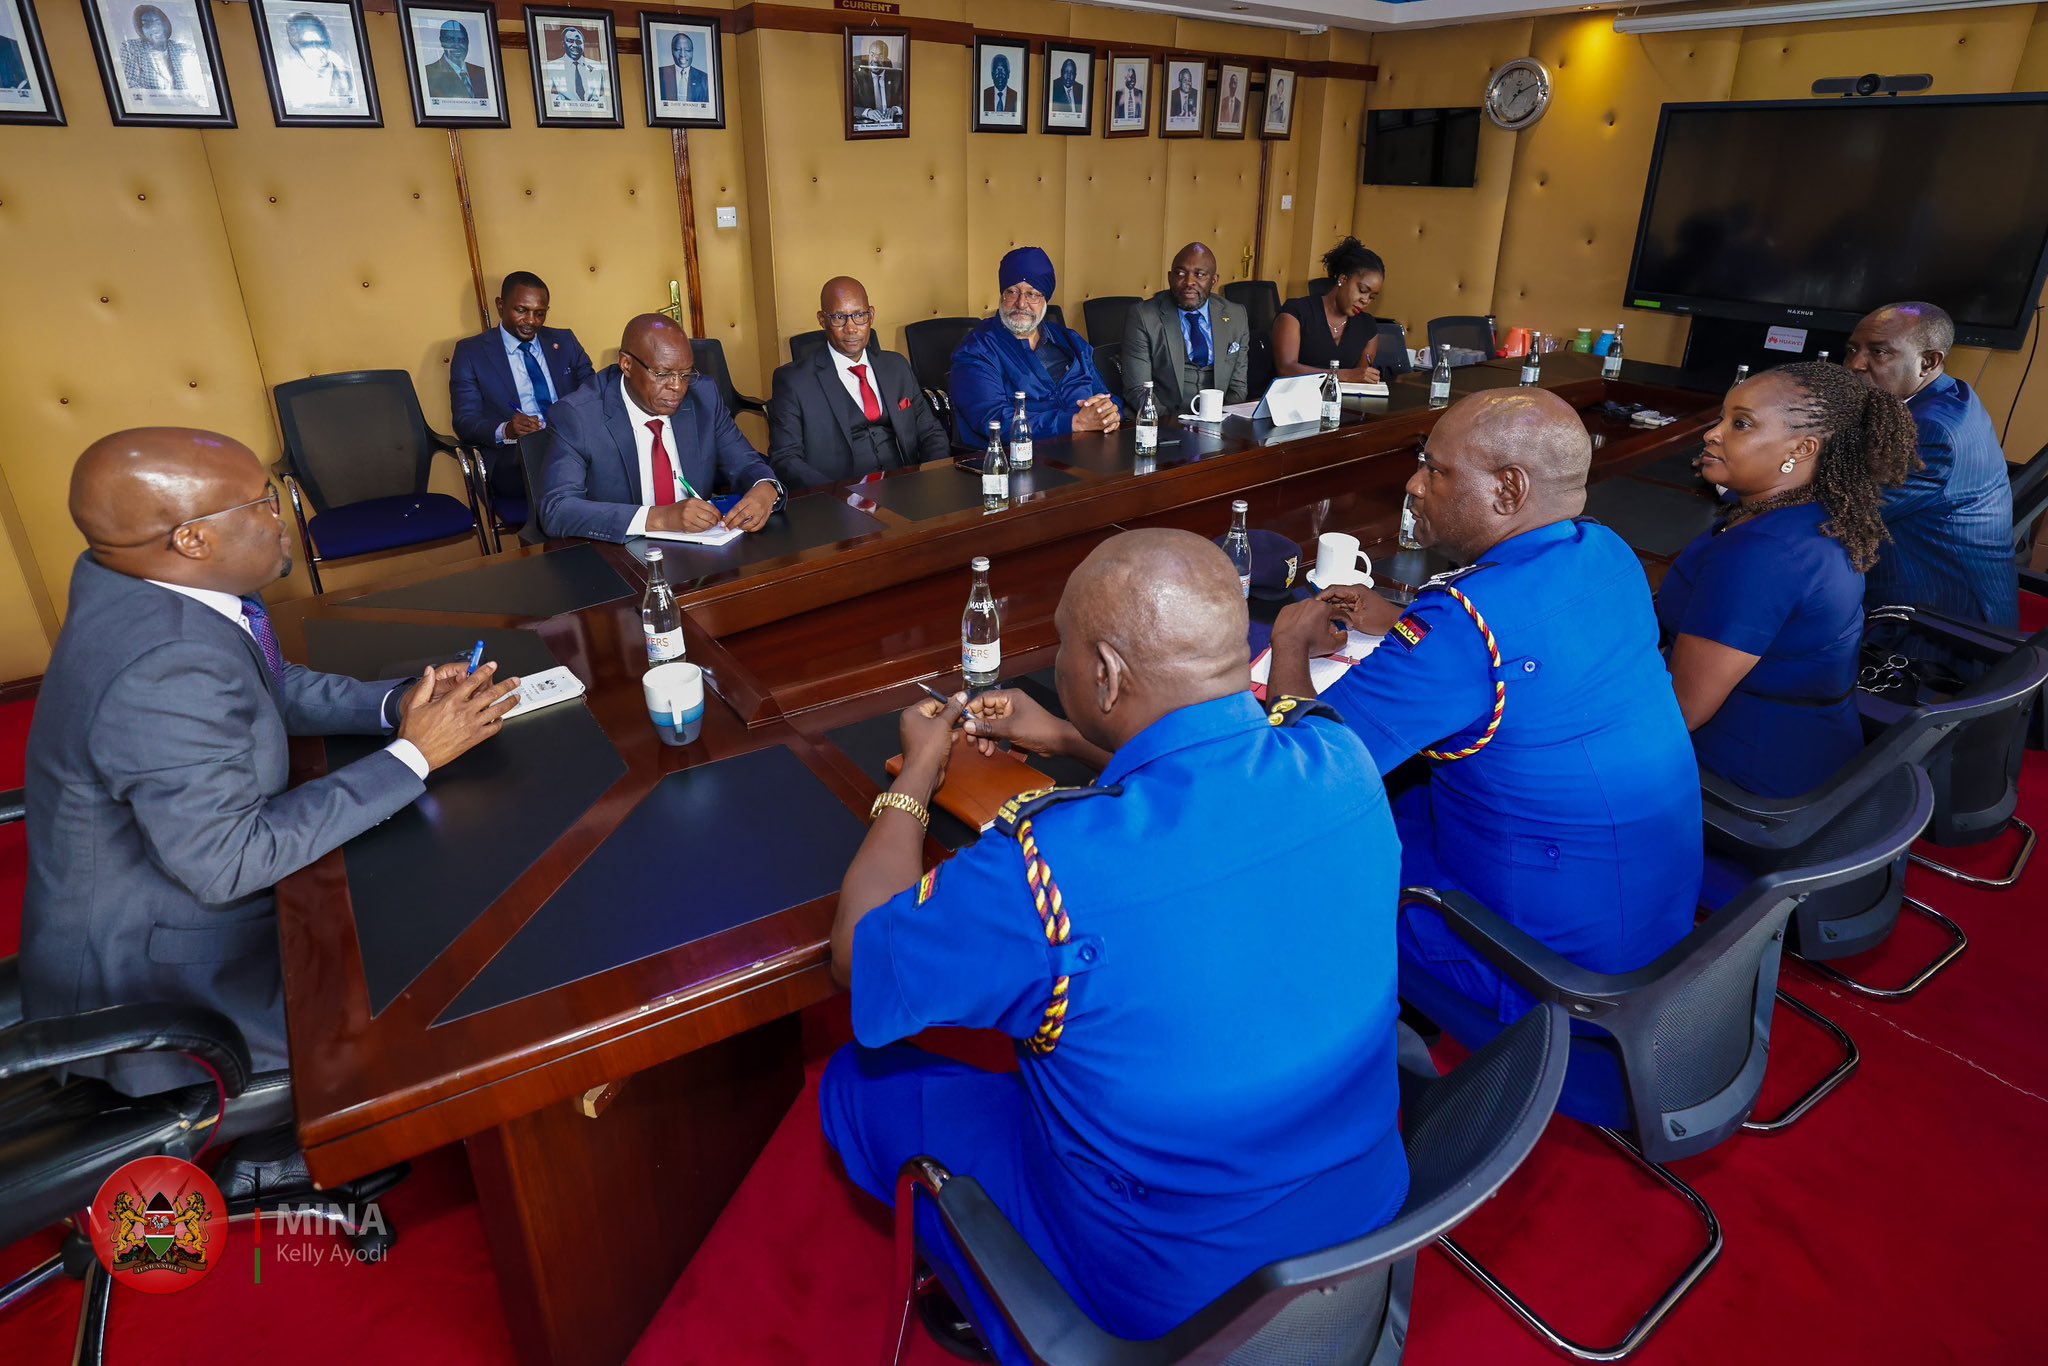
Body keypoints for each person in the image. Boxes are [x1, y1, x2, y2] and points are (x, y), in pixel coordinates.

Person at [822, 528, 1408, 1364]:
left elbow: (859, 953)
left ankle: (1005, 1297)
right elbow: (1205, 756)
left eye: (1062, 645)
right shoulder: (1340, 757)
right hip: (1361, 1228)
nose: (1057, 660)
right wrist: (1064, 737)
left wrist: (917, 774)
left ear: (1102, 673)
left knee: (855, 1083)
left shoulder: (1046, 870)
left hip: (1167, 1299)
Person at [21, 429, 519, 1096]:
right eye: (263, 503)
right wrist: (415, 755)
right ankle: (275, 1153)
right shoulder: (161, 669)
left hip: (183, 903)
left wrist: (399, 705)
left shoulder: (154, 588)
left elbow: (270, 686)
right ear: (193, 539)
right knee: (446, 991)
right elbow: (228, 862)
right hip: (170, 978)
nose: (287, 518)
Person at [1265, 389, 1700, 1121]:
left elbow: (1302, 772)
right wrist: (1405, 621)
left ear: (1509, 490)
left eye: (1434, 471)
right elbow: (1538, 643)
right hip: (1648, 928)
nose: (1413, 484)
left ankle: (1320, 1086)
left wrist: (1286, 646)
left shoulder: (1464, 628)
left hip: (1544, 978)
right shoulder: (1606, 551)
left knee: (1295, 852)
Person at [1658, 363, 1916, 799]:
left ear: (1802, 447)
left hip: (1741, 779)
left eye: (1740, 424)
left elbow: (1679, 712)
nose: (1712, 434)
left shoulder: (1764, 555)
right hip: (1808, 748)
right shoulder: (1805, 512)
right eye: (1722, 417)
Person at [1843, 301, 2017, 628]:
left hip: (1934, 631)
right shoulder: (1946, 393)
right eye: (1852, 349)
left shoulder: (1933, 430)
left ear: (1928, 361)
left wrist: (1735, 482)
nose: (1854, 364)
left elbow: (1846, 512)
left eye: (1878, 352)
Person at [538, 313, 782, 543]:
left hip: (701, 549)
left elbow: (747, 463)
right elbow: (556, 509)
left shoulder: (703, 397)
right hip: (620, 555)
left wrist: (766, 489)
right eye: (663, 374)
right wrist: (660, 518)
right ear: (626, 364)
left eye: (685, 374)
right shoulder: (579, 415)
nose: (677, 387)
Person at [767, 277, 949, 489]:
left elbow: (931, 432)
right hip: (839, 498)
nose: (851, 328)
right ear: (822, 319)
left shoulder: (896, 366)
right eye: (839, 317)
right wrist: (834, 494)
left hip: (906, 487)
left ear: (871, 315)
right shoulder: (793, 381)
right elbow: (786, 458)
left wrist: (933, 478)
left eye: (859, 315)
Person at [450, 270, 597, 505]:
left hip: (571, 444)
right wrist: (506, 429)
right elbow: (465, 421)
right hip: (514, 456)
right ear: (500, 306)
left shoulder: (565, 341)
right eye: (521, 311)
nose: (531, 321)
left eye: (540, 313)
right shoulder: (471, 353)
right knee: (557, 466)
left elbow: (593, 392)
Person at [949, 247, 1122, 444]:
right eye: (1012, 292)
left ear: (1045, 300)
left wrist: (1109, 413)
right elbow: (994, 419)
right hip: (1018, 460)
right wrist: (1074, 422)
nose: (1021, 304)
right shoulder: (977, 350)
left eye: (1032, 294)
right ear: (1002, 295)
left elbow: (1106, 396)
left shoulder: (1070, 341)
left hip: (1090, 451)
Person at [1121, 242, 1249, 412]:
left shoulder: (1236, 315)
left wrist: (1222, 419)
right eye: (1180, 273)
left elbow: (1238, 386)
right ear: (1169, 277)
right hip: (1167, 420)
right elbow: (1138, 390)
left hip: (1218, 419)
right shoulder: (1144, 316)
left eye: (1200, 274)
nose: (1189, 282)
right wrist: (1172, 426)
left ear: (1214, 280)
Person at [1274, 237, 1384, 382]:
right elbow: (1286, 369)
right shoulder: (1296, 312)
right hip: (1294, 400)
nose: (1365, 300)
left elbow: (1360, 380)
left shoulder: (1367, 327)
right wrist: (1341, 375)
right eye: (1362, 290)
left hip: (1342, 403)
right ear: (1343, 280)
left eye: (1372, 297)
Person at [118, 4, 204, 99]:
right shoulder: (131, 48)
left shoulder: (186, 50)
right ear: (140, 29)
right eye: (146, 24)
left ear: (166, 24)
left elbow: (198, 90)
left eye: (157, 23)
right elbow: (132, 87)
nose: (154, 28)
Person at [277, 12, 355, 108]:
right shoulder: (289, 83)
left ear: (329, 41)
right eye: (309, 44)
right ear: (296, 46)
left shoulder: (349, 77)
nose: (319, 50)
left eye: (322, 43)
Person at [423, 18, 489, 101]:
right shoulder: (429, 74)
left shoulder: (482, 73)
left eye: (461, 40)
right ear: (442, 42)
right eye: (451, 40)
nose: (457, 45)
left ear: (467, 42)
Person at [542, 25, 605, 107]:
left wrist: (599, 101)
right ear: (563, 44)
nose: (575, 45)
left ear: (583, 44)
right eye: (570, 41)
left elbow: (607, 97)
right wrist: (557, 99)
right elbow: (546, 98)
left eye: (578, 42)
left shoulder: (597, 67)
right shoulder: (551, 67)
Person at [851, 38, 902, 127]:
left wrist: (895, 109)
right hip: (867, 126)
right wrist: (867, 112)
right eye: (872, 54)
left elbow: (906, 102)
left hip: (892, 126)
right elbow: (849, 106)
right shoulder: (857, 77)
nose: (875, 60)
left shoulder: (897, 77)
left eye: (880, 56)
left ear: (886, 58)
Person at [657, 30, 708, 104]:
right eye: (677, 49)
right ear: (672, 51)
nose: (682, 54)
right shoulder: (660, 74)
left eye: (687, 50)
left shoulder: (704, 78)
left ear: (692, 51)